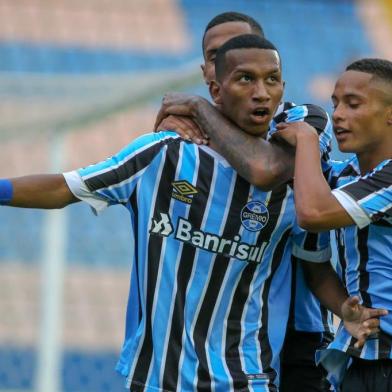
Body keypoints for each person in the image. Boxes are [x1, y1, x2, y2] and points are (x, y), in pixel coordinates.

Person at [0, 36, 384, 392]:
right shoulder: (163, 154)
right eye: (245, 79)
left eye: (273, 80)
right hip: (157, 375)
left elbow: (313, 262)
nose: (261, 93)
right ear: (215, 88)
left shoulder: (298, 177)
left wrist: (341, 311)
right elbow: (65, 187)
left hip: (245, 377)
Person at [155, 12, 333, 392]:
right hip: (215, 338)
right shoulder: (193, 134)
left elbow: (264, 169)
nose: (232, 57)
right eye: (217, 53)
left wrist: (198, 110)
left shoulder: (302, 119)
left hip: (300, 331)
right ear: (208, 72)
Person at [271, 58, 392, 391]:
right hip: (360, 359)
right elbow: (316, 263)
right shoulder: (342, 179)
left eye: (353, 104)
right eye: (335, 103)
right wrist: (344, 308)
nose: (338, 114)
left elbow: (312, 213)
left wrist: (308, 141)